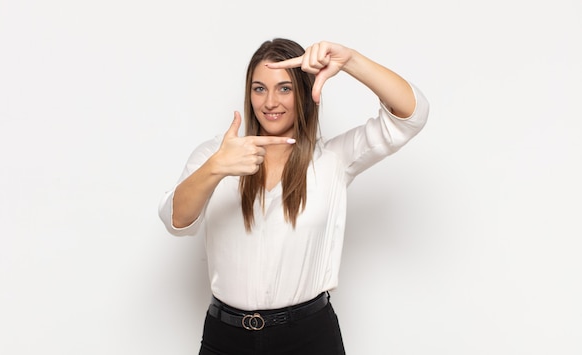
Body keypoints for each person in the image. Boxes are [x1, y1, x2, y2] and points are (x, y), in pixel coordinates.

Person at [158, 38, 429, 355]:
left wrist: (351, 60)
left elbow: (412, 115)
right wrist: (215, 168)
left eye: (284, 88)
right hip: (226, 337)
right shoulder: (217, 155)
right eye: (259, 88)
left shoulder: (332, 159)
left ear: (303, 92)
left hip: (308, 337)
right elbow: (176, 220)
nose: (270, 101)